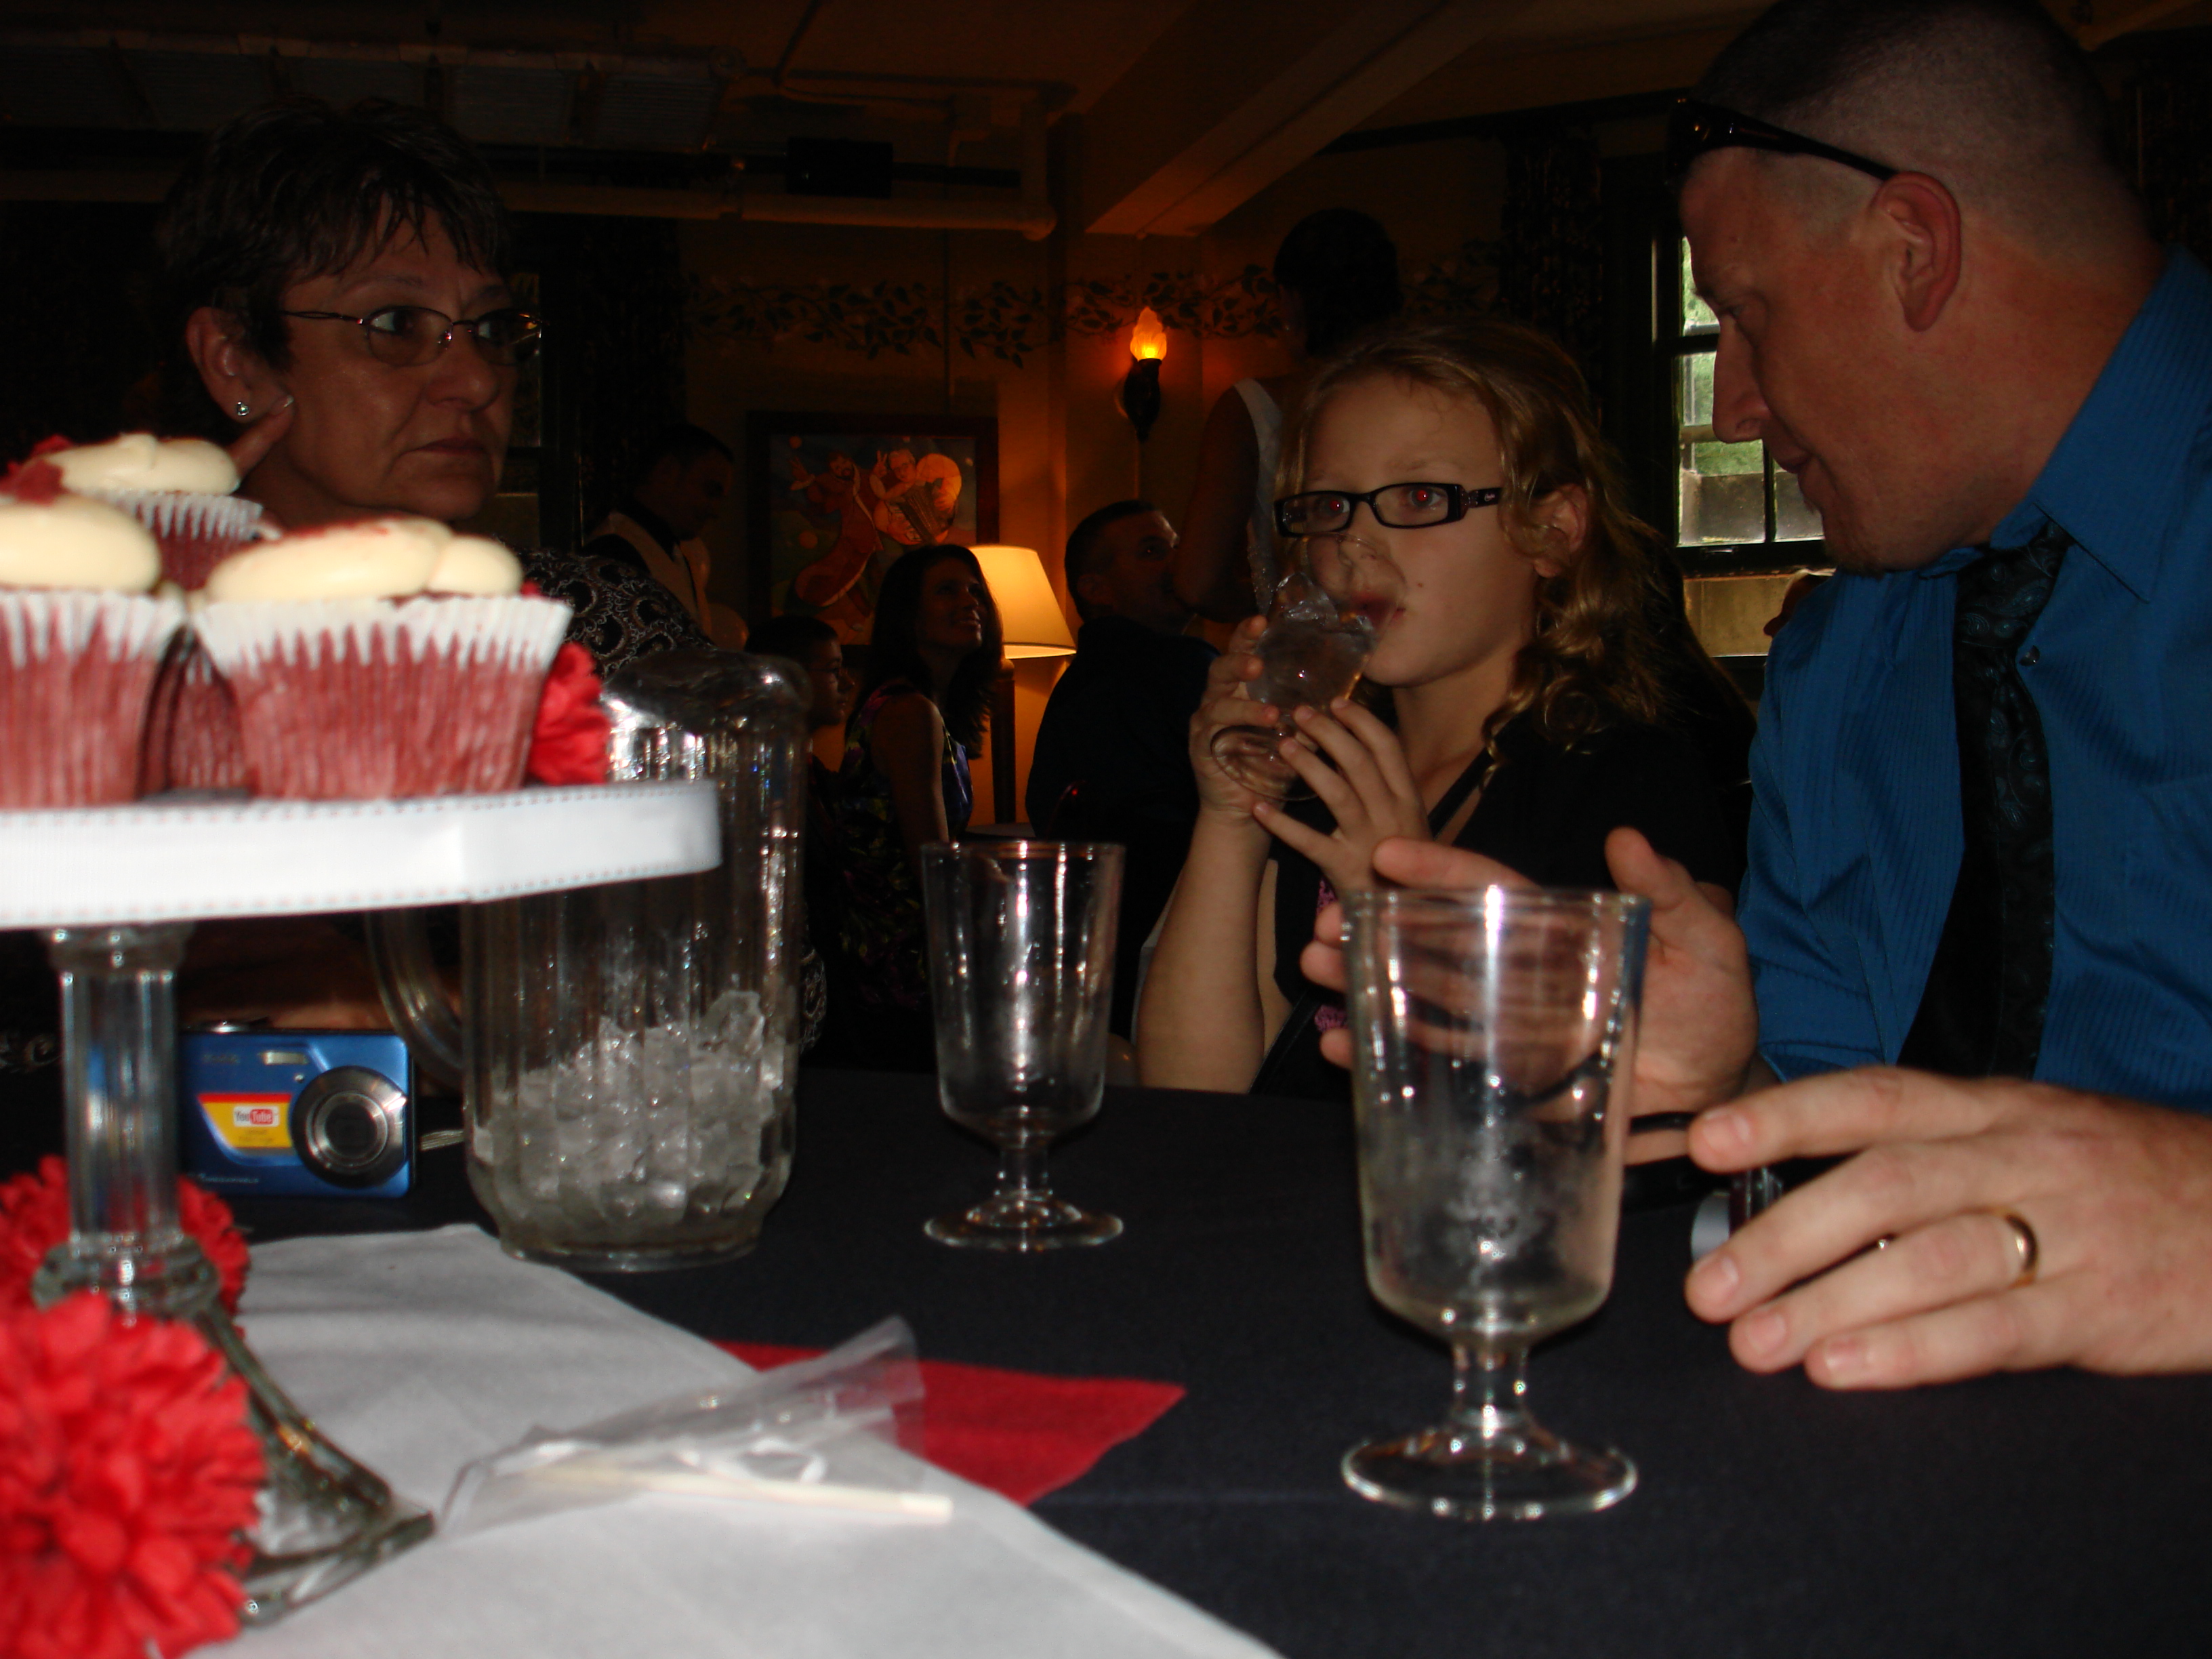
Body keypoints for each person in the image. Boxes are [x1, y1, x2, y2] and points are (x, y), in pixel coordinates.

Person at [1305, 0, 2212, 1389]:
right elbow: (1839, 1145)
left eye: (1741, 311)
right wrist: (1733, 1087)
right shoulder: (1843, 661)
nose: (1730, 403)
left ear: (1912, 249)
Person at [1136, 317, 1740, 1100]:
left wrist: (1410, 927)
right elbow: (1191, 1097)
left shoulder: (1627, 788)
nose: (1354, 544)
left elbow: (1633, 1115)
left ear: (1551, 532)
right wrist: (1231, 814)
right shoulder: (1323, 766)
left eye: (1419, 497)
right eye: (1329, 505)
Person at [1025, 500, 1218, 1034]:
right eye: (1153, 551)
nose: (1179, 564)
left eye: (1178, 547)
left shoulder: (1072, 688)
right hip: (1176, 937)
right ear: (1097, 588)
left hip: (1082, 954)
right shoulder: (1184, 668)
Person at [1174, 209, 1404, 623]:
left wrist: (1282, 612)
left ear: (1291, 299)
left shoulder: (1250, 409)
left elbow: (1198, 582)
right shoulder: (1429, 397)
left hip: (1309, 650)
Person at [827, 545, 1001, 1070]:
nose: (969, 601)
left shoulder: (925, 709)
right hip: (901, 974)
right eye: (947, 590)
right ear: (909, 616)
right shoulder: (908, 711)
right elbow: (933, 867)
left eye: (975, 590)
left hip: (904, 963)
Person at [583, 423, 747, 647]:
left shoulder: (678, 551)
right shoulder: (612, 552)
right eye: (710, 492)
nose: (715, 511)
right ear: (667, 472)